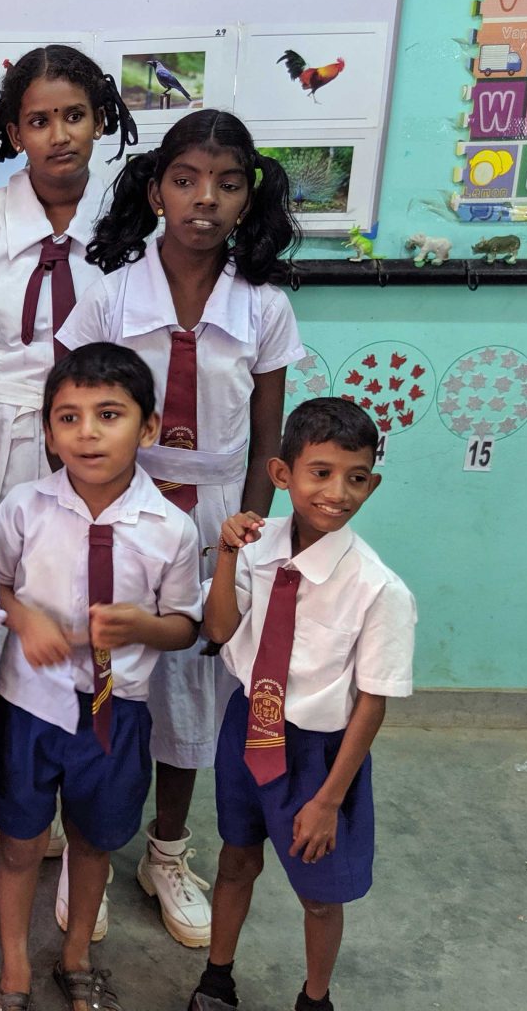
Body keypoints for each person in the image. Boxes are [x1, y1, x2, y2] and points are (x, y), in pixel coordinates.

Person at [58, 109, 304, 948]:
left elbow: (269, 435)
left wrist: (250, 539)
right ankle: (85, 840)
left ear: (248, 197)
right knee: (111, 672)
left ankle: (166, 850)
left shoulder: (264, 304)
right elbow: (66, 407)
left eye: (228, 184)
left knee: (195, 683)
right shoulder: (111, 293)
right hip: (119, 504)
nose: (206, 199)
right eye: (187, 180)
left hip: (214, 516)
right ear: (157, 188)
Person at [0, 43, 135, 850]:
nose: (59, 136)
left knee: (78, 591)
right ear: (14, 131)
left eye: (75, 116)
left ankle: (82, 778)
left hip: (91, 437)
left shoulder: (125, 231)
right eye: (40, 120)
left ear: (101, 121)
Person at [0, 343, 202, 1011]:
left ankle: (76, 958)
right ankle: (15, 970)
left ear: (150, 427)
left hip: (118, 711)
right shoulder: (24, 507)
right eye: (69, 418)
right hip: (29, 707)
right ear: (48, 432)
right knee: (21, 844)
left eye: (109, 415)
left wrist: (141, 626)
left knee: (94, 843)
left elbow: (186, 626)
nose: (88, 433)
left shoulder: (171, 527)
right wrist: (22, 620)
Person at [188, 397, 414, 1011]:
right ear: (282, 474)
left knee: (320, 894)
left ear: (374, 481)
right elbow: (218, 630)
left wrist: (329, 799)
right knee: (236, 860)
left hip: (320, 756)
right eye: (320, 472)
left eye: (357, 477)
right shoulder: (258, 549)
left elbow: (372, 702)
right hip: (246, 727)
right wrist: (228, 553)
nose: (338, 492)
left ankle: (315, 997)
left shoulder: (379, 589)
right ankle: (216, 977)